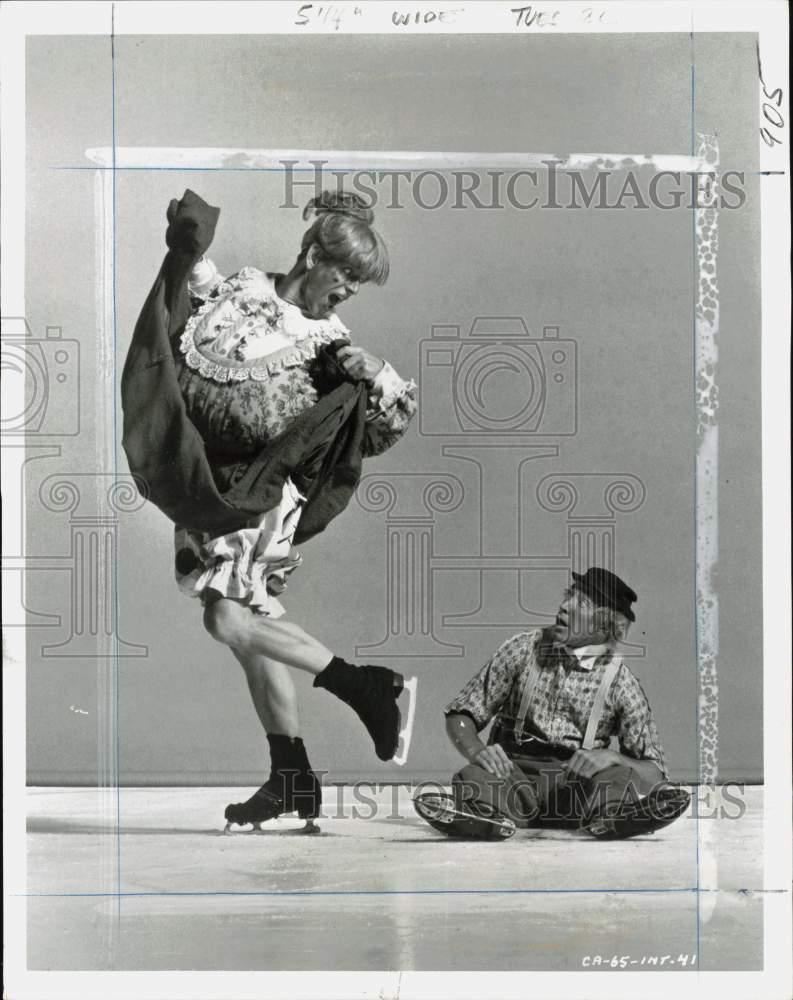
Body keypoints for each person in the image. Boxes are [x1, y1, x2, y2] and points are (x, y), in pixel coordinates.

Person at [122, 189, 418, 833]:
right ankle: (293, 779)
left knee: (226, 621)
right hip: (209, 479)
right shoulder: (248, 285)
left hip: (260, 491)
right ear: (313, 255)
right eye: (346, 278)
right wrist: (190, 244)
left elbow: (381, 424)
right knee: (251, 633)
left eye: (359, 286)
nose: (350, 295)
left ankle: (368, 688)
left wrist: (382, 373)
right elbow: (198, 288)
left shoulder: (329, 344)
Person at [414, 568, 690, 840]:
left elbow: (654, 775)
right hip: (514, 777)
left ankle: (613, 817)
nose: (565, 606)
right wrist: (476, 751)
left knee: (617, 776)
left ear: (605, 625)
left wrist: (614, 758)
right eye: (569, 595)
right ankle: (485, 815)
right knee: (474, 775)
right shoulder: (523, 649)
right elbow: (461, 713)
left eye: (581, 603)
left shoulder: (621, 683)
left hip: (575, 791)